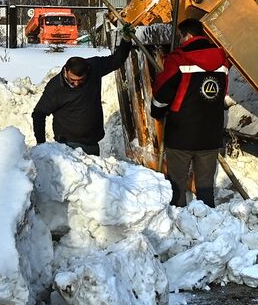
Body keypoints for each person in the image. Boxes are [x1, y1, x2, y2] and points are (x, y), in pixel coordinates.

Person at [151, 18, 229, 207]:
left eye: (180, 36)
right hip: (210, 134)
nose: (180, 41)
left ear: (189, 35)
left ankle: (179, 222)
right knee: (205, 186)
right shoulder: (222, 60)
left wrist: (156, 111)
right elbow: (222, 93)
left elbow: (162, 93)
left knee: (176, 184)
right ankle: (207, 220)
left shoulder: (179, 59)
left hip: (181, 134)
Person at [32, 29, 134, 156]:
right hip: (68, 146)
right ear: (66, 70)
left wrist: (126, 40)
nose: (76, 84)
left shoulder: (94, 67)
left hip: (92, 143)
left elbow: (116, 61)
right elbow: (38, 114)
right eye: (72, 80)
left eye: (81, 80)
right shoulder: (55, 87)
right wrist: (41, 145)